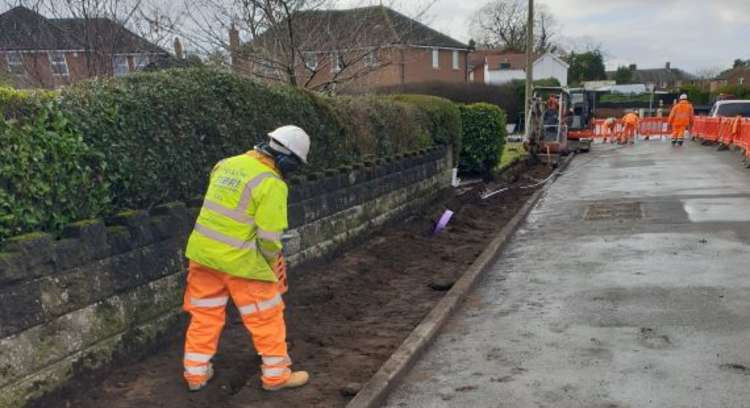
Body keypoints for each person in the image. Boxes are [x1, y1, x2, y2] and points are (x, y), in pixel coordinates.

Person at [181, 125, 311, 392]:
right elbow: (268, 238)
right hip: (242, 262)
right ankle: (276, 376)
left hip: (203, 256)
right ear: (287, 160)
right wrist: (270, 264)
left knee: (204, 315)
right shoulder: (272, 183)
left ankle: (195, 375)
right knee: (266, 318)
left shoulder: (225, 164)